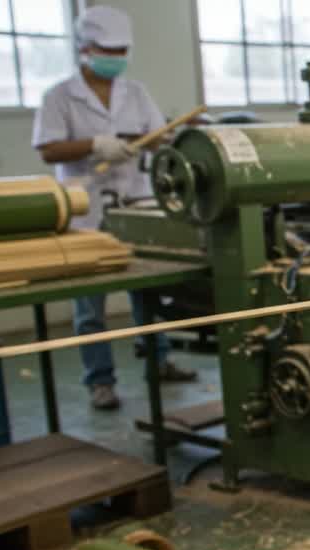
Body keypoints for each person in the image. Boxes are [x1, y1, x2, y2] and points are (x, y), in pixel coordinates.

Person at [32, 6, 196, 411]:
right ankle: (100, 381)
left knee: (148, 294)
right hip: (85, 213)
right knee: (91, 307)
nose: (116, 58)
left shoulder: (135, 93)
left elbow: (158, 137)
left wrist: (150, 140)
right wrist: (95, 145)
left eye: (122, 51)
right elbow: (48, 149)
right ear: (86, 49)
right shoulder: (59, 97)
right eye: (109, 51)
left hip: (134, 204)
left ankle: (158, 361)